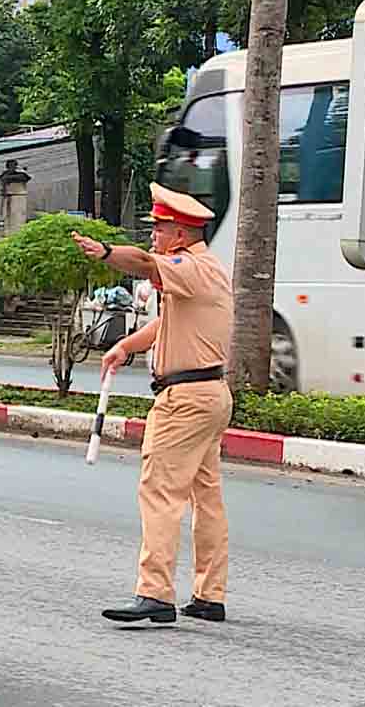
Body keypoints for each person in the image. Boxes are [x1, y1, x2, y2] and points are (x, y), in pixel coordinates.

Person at [71, 182, 234, 625]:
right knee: (206, 495)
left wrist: (105, 251)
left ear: (180, 235)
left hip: (184, 400)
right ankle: (209, 593)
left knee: (160, 490)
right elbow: (167, 322)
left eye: (159, 229)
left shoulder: (189, 266)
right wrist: (127, 346)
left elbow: (143, 263)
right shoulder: (205, 270)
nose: (153, 238)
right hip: (210, 395)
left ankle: (155, 592)